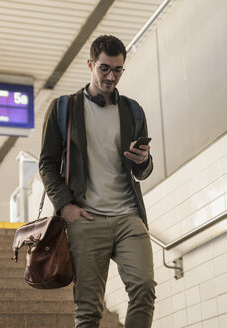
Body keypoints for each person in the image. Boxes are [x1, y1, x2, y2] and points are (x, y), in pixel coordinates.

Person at [39, 35, 156, 328]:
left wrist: (143, 161)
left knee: (144, 288)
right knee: (89, 309)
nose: (111, 76)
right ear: (91, 64)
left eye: (118, 70)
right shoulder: (63, 108)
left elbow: (141, 170)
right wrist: (65, 207)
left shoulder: (133, 110)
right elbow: (47, 164)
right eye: (104, 68)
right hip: (86, 217)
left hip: (128, 216)